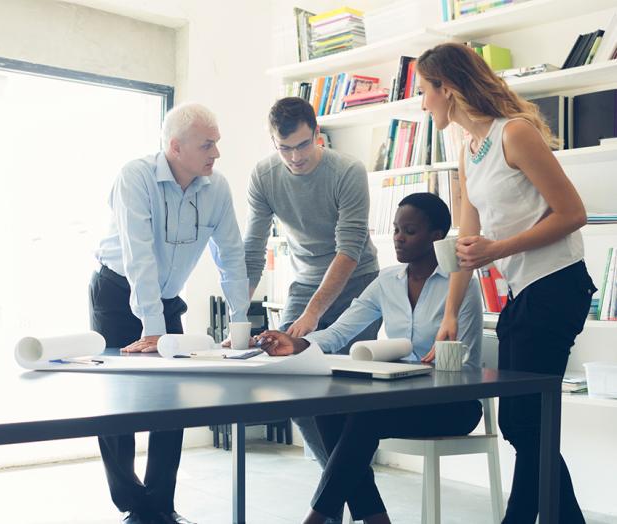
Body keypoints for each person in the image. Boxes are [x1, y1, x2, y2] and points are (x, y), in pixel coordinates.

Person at [416, 42, 595, 523]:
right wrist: (449, 314)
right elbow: (467, 240)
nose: (422, 101)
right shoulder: (467, 151)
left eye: (424, 91)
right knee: (527, 423)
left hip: (557, 286)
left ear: (447, 89)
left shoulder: (514, 134)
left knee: (524, 420)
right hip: (525, 293)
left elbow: (573, 214)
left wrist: (499, 249)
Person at [256, 192, 484, 524]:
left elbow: (465, 360)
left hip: (453, 403)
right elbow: (339, 331)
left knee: (364, 417)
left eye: (409, 230)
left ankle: (317, 518)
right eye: (395, 229)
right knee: (328, 410)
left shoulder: (460, 285)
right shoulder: (387, 281)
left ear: (437, 236)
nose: (398, 238)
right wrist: (296, 344)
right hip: (402, 396)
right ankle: (374, 519)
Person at [90, 102, 249, 524]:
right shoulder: (136, 176)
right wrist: (153, 329)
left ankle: (159, 506)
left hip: (165, 298)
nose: (216, 153)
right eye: (207, 145)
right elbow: (138, 255)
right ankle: (131, 501)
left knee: (172, 403)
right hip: (116, 290)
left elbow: (230, 255)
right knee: (118, 402)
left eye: (217, 144)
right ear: (175, 147)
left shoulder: (217, 188)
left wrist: (241, 324)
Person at [244, 97, 381, 522]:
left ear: (316, 134)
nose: (295, 157)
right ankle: (340, 498)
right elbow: (252, 248)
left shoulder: (347, 171)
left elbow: (349, 249)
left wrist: (312, 315)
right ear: (273, 142)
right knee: (294, 386)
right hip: (304, 282)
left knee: (348, 396)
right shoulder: (264, 175)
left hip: (358, 281)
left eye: (302, 146)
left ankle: (329, 508)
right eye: (284, 149)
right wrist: (238, 311)